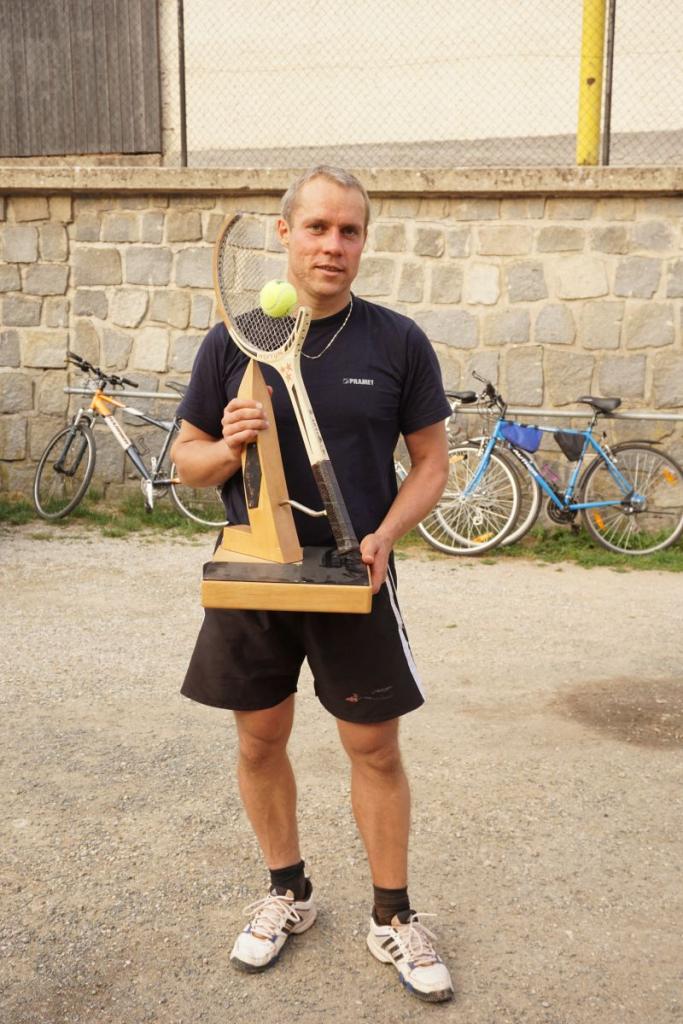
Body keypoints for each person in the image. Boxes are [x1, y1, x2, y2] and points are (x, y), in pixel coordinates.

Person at [171, 166, 453, 1002]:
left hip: (351, 574)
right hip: (255, 570)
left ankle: (393, 914)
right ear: (285, 234)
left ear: (363, 241)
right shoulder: (234, 340)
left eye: (349, 231)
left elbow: (431, 463)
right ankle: (286, 892)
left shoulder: (396, 341)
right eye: (318, 227)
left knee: (374, 747)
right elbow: (187, 463)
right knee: (259, 740)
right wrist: (227, 445)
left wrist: (386, 533)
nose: (333, 245)